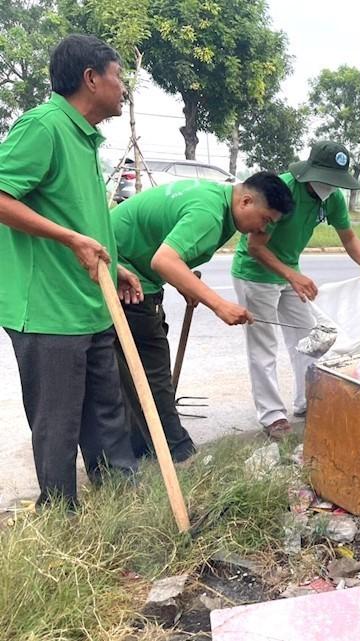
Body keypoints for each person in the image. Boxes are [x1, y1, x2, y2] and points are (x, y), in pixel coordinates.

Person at [0, 35, 140, 508]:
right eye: (119, 76)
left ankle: (121, 504)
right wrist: (70, 240)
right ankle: (61, 518)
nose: (124, 87)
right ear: (91, 78)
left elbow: (78, 213)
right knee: (57, 424)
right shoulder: (43, 127)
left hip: (89, 302)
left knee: (106, 414)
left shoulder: (84, 137)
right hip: (46, 310)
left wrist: (114, 267)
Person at [112, 172, 295, 459]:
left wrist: (187, 287)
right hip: (122, 275)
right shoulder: (209, 214)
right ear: (246, 201)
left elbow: (165, 248)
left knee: (133, 369)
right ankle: (179, 453)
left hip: (129, 267)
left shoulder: (217, 200)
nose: (262, 230)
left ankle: (144, 447)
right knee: (153, 369)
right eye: (265, 220)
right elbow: (164, 260)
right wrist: (219, 305)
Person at [231, 142, 360, 439]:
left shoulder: (333, 199)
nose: (332, 187)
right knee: (264, 346)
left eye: (336, 182)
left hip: (290, 272)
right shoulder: (282, 192)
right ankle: (272, 416)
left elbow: (349, 236)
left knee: (309, 339)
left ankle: (306, 402)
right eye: (327, 180)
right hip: (256, 273)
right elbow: (255, 247)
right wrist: (292, 276)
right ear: (310, 172)